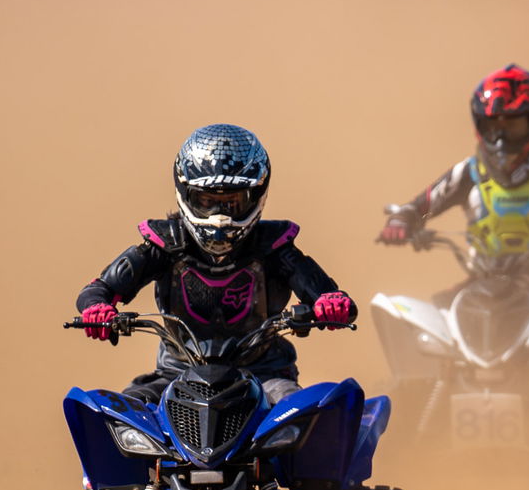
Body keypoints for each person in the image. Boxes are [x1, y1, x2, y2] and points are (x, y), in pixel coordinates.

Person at [75, 125, 357, 403]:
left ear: (256, 196)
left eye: (231, 203)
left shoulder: (274, 246)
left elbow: (330, 296)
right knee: (119, 413)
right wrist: (97, 309)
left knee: (299, 411)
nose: (219, 215)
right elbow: (99, 289)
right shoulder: (163, 244)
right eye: (207, 201)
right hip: (175, 375)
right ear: (186, 194)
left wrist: (331, 304)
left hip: (264, 376)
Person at [377, 66, 529, 302]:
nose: (501, 138)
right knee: (434, 311)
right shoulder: (467, 173)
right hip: (480, 281)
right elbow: (418, 207)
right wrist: (401, 222)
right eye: (494, 127)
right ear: (480, 124)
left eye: (512, 126)